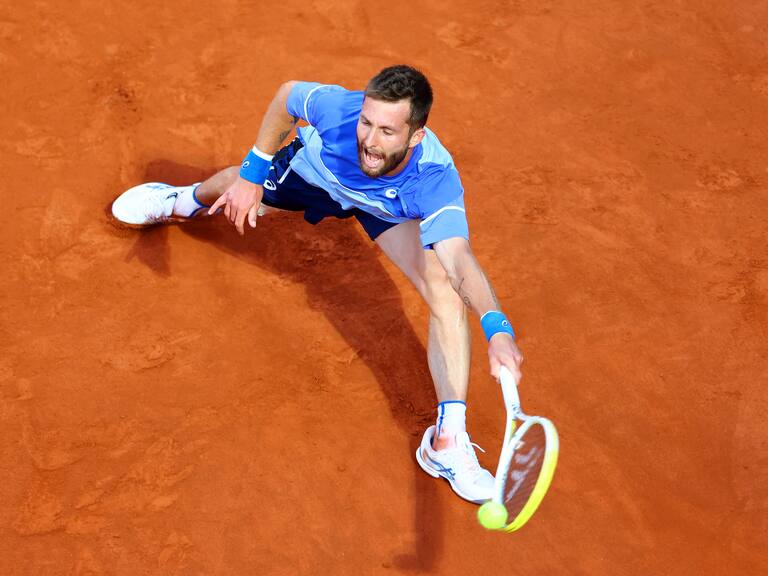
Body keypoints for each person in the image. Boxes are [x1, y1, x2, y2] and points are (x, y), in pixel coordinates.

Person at [111, 64, 523, 504]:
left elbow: (459, 259)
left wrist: (497, 329)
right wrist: (252, 173)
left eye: (387, 131)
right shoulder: (338, 111)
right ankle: (180, 200)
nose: (370, 140)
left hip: (381, 208)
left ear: (415, 136)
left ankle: (447, 442)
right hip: (316, 175)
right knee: (235, 188)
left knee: (445, 290)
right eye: (367, 123)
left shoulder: (435, 178)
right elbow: (287, 95)